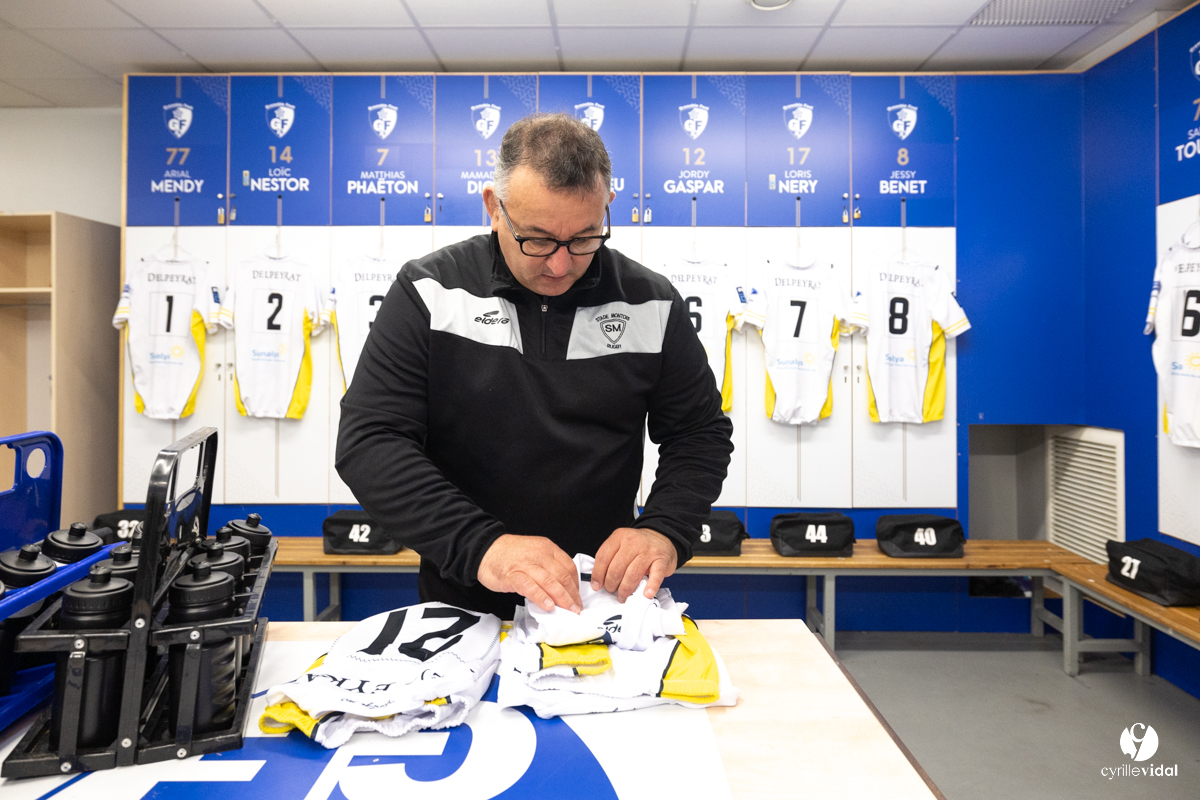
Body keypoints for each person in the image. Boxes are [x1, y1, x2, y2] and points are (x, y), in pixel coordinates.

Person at [336, 113, 733, 619]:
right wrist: (483, 546)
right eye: (538, 239)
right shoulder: (429, 292)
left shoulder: (651, 303)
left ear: (607, 207)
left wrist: (663, 528)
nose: (561, 264)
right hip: (464, 598)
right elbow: (370, 441)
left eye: (586, 238)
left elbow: (699, 433)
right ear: (493, 208)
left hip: (602, 600)